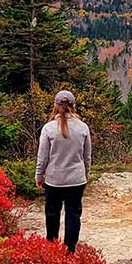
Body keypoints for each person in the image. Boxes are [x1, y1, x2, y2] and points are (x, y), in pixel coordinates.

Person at [35, 89, 91, 252]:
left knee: (52, 214)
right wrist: (85, 173)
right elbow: (87, 156)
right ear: (73, 106)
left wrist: (39, 175)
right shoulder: (83, 127)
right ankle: (69, 250)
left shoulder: (48, 128)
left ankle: (52, 248)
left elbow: (43, 157)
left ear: (55, 105)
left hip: (54, 180)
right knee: (73, 215)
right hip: (76, 179)